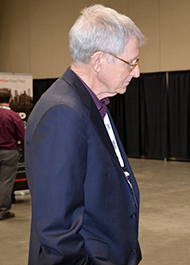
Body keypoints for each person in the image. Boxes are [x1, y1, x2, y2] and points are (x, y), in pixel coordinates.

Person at [25, 4, 145, 265]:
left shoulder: (91, 102)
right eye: (131, 62)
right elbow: (58, 231)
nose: (136, 71)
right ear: (98, 61)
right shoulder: (63, 114)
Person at [0, 88, 25, 220]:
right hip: (9, 152)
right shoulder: (13, 116)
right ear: (10, 99)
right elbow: (22, 135)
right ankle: (3, 210)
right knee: (5, 182)